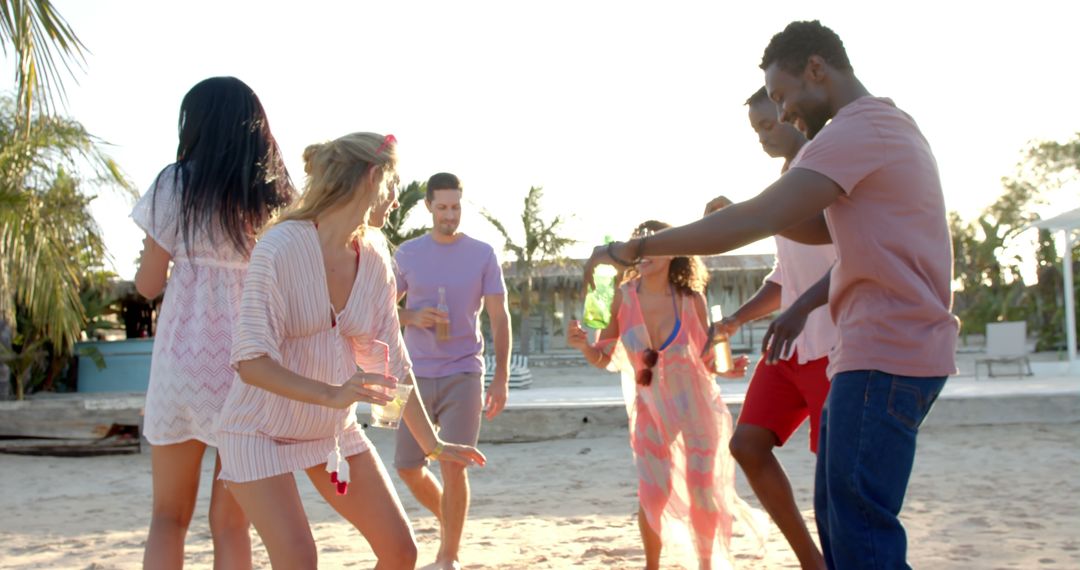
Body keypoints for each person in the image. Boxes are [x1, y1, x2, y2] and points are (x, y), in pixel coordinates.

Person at [583, 20, 958, 569]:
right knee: (841, 520)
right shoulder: (876, 129)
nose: (781, 115)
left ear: (816, 69)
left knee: (860, 535)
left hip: (886, 351)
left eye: (782, 97)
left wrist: (632, 248)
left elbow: (758, 217)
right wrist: (746, 219)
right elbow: (816, 228)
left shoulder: (860, 127)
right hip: (877, 350)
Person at [214, 132, 486, 569]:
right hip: (257, 430)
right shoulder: (280, 248)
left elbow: (394, 364)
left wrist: (431, 444)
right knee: (300, 559)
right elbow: (251, 362)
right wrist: (333, 394)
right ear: (374, 177)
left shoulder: (375, 258)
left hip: (330, 433)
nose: (397, 201)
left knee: (400, 552)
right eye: (394, 186)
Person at [132, 76, 296, 570]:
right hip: (249, 366)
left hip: (183, 364)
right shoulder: (276, 197)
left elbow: (146, 284)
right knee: (231, 524)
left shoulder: (174, 184)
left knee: (168, 517)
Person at [567, 221, 762, 570]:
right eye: (638, 248)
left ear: (673, 252)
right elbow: (604, 358)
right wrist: (584, 346)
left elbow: (707, 359)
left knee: (703, 489)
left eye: (651, 246)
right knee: (653, 491)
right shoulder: (620, 299)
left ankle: (705, 564)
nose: (642, 255)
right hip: (650, 406)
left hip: (696, 404)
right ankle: (651, 566)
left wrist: (726, 369)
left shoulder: (691, 299)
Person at [705, 86, 835, 570]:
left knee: (834, 477)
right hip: (789, 350)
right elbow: (785, 275)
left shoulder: (827, 173)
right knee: (747, 445)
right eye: (755, 130)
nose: (761, 137)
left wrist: (745, 214)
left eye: (767, 125)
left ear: (792, 116)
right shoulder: (786, 179)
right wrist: (736, 320)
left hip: (835, 348)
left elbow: (850, 259)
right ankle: (812, 561)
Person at [391, 172, 512, 570]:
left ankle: (448, 555)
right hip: (412, 373)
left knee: (454, 464)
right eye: (442, 207)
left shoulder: (482, 254)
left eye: (455, 207)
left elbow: (499, 316)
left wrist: (500, 378)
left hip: (464, 372)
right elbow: (380, 310)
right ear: (428, 206)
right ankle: (451, 517)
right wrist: (412, 315)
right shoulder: (407, 254)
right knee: (407, 466)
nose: (449, 215)